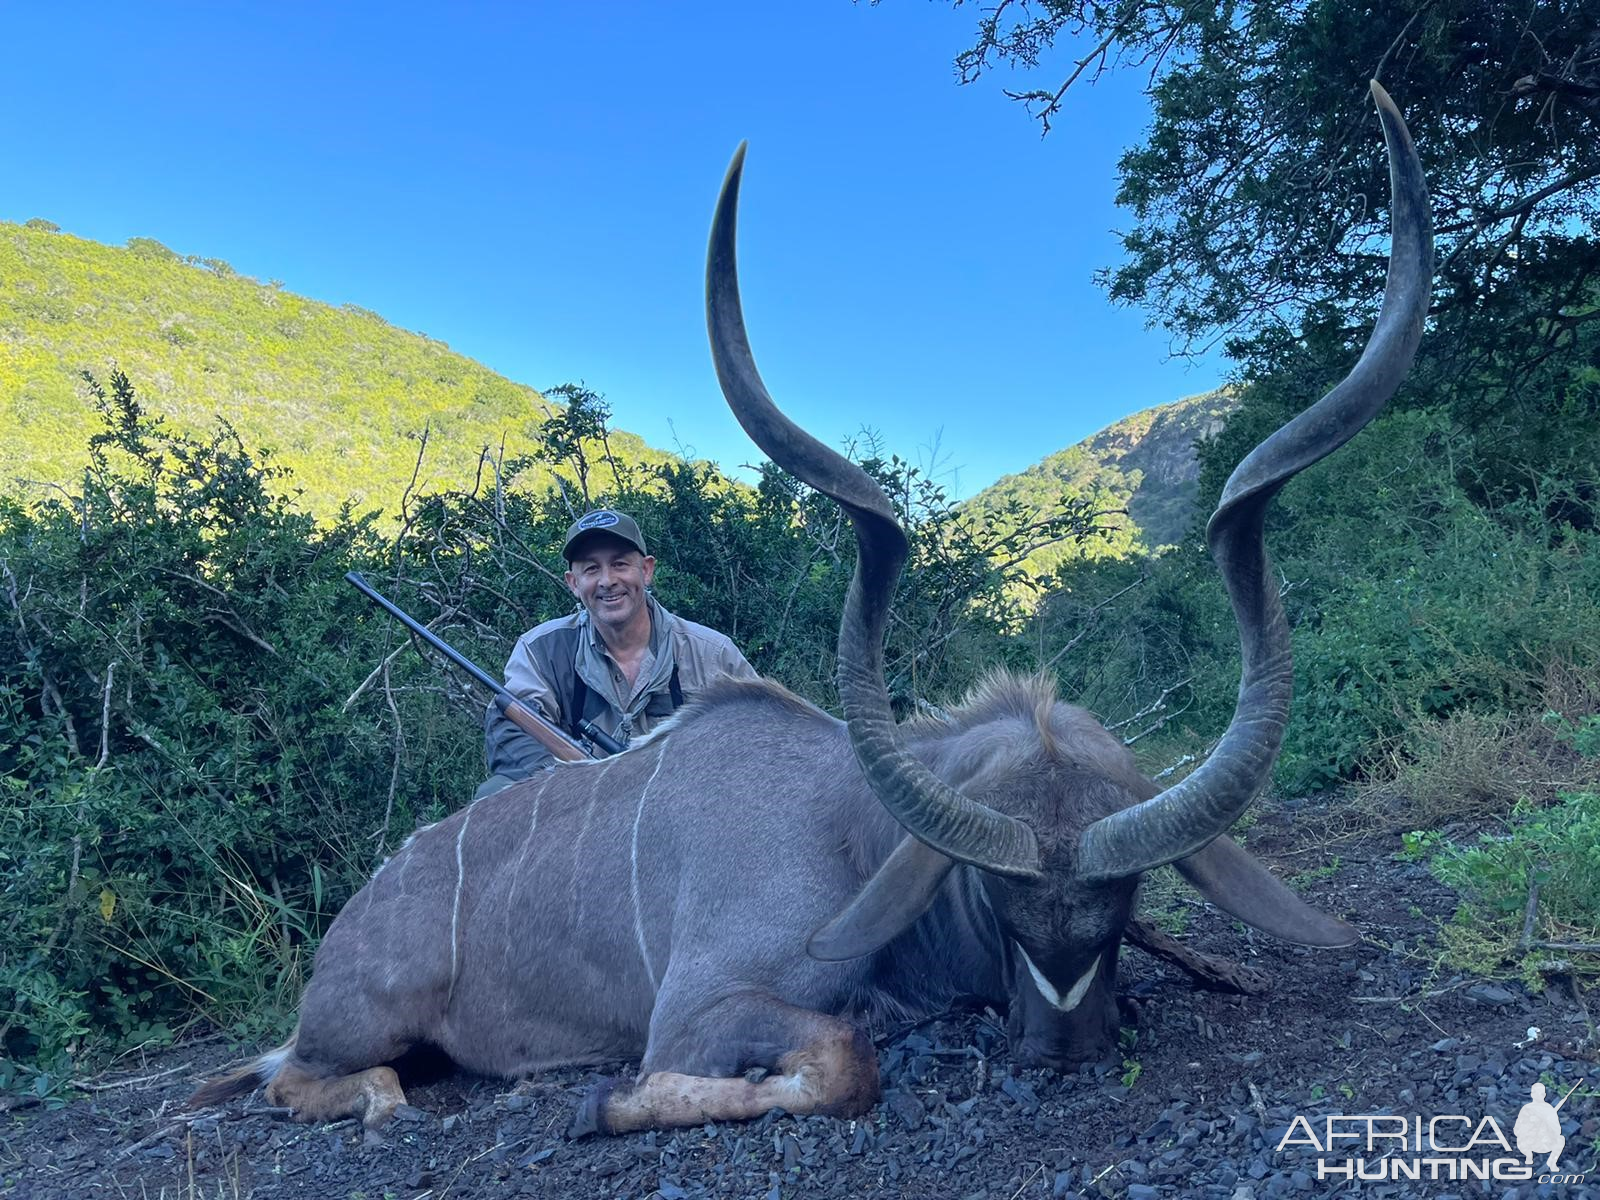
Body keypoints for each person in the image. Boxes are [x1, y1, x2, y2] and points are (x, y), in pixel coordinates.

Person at [475, 508, 756, 798]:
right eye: (591, 569)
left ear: (646, 570)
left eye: (620, 564)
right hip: (582, 806)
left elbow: (761, 738)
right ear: (573, 582)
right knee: (493, 794)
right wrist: (575, 783)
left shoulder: (713, 654)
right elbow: (511, 731)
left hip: (689, 805)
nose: (607, 581)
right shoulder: (540, 649)